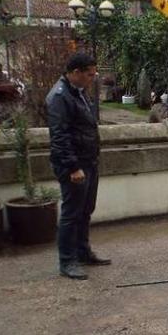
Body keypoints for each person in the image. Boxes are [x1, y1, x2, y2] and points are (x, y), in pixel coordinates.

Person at [46, 52, 111, 280]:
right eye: (89, 75)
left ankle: (83, 252)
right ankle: (67, 261)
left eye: (94, 74)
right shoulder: (60, 97)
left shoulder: (79, 92)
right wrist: (73, 167)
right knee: (72, 214)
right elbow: (60, 136)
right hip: (75, 165)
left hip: (89, 161)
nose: (92, 79)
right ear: (75, 73)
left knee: (85, 211)